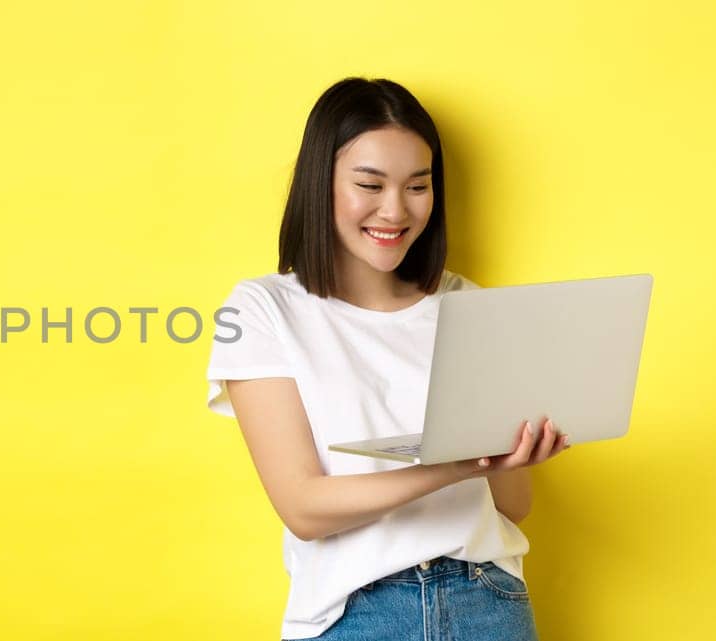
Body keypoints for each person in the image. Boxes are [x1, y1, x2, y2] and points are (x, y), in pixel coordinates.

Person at [204, 77, 570, 640]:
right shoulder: (263, 310)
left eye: (418, 186)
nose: (395, 210)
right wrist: (452, 466)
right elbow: (303, 506)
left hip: (488, 602)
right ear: (320, 184)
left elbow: (509, 508)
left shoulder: (469, 304)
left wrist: (515, 457)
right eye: (369, 184)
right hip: (356, 613)